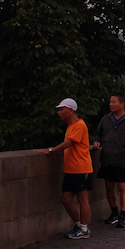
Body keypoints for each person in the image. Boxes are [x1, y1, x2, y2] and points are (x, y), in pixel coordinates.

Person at [37, 98, 94, 240]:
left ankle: (84, 228)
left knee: (82, 199)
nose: (59, 112)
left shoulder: (80, 125)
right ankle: (79, 224)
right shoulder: (70, 126)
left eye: (62, 109)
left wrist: (51, 150)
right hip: (71, 169)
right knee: (66, 199)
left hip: (81, 168)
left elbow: (68, 143)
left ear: (71, 109)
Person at [91, 93, 125, 229]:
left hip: (123, 159)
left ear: (122, 104)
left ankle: (123, 216)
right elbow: (99, 134)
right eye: (110, 102)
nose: (110, 104)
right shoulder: (106, 119)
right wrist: (96, 141)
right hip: (107, 158)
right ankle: (114, 212)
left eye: (113, 102)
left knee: (122, 187)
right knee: (109, 187)